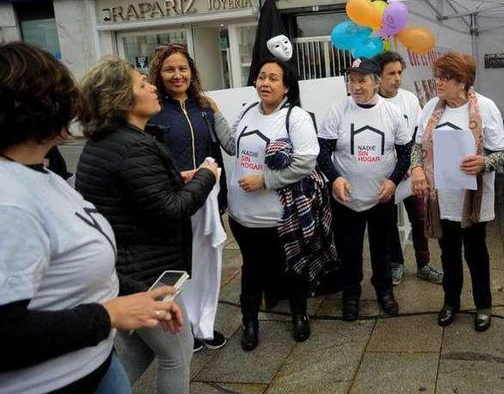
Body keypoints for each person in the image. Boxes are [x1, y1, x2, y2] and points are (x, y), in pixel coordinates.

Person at [0, 42, 186, 394]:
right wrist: (109, 315)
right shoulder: (9, 202)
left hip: (95, 365)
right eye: (63, 91)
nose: (76, 103)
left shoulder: (40, 173)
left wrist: (137, 297)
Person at [76, 56, 219, 394]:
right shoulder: (133, 147)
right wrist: (205, 178)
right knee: (177, 352)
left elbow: (138, 196)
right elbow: (170, 210)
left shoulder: (108, 141)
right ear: (121, 99)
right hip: (145, 273)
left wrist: (175, 179)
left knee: (141, 348)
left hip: (126, 268)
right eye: (142, 84)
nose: (153, 86)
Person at [211, 59, 321, 349]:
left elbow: (307, 162)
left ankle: (299, 315)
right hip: (242, 216)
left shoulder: (295, 118)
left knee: (292, 267)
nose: (265, 83)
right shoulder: (247, 111)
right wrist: (215, 113)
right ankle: (249, 321)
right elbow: (233, 145)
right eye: (261, 77)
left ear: (286, 87)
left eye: (274, 78)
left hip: (280, 217)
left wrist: (264, 180)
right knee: (252, 269)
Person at [410, 52, 504, 332]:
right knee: (448, 252)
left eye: (445, 77)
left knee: (476, 253)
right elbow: (417, 146)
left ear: (463, 81)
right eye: (438, 76)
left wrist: (484, 162)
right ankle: (451, 302)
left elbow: (501, 153)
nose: (438, 82)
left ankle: (483, 305)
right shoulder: (431, 107)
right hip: (440, 197)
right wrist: (416, 169)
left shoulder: (486, 107)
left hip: (473, 198)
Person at [146, 43, 227, 352]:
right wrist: (177, 179)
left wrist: (216, 110)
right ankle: (186, 327)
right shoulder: (153, 110)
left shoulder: (203, 107)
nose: (177, 75)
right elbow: (150, 161)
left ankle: (205, 325)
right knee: (182, 266)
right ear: (159, 74)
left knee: (209, 262)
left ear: (192, 71)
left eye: (182, 68)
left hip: (206, 197)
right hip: (175, 199)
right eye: (169, 69)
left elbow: (225, 146)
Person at [317, 57, 411, 321]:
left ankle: (384, 291)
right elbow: (322, 152)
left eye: (362, 81)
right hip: (346, 198)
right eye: (352, 81)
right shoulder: (338, 110)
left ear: (376, 82)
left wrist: (393, 181)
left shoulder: (392, 113)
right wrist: (335, 178)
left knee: (382, 248)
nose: (356, 87)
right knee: (349, 249)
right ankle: (351, 295)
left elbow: (405, 152)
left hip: (381, 197)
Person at [375, 51, 444, 285]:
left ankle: (424, 263)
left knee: (420, 217)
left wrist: (414, 165)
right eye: (391, 74)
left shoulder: (409, 99)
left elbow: (418, 134)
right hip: (386, 173)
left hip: (412, 171)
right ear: (378, 76)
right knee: (389, 221)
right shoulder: (372, 103)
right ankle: (396, 263)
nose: (397, 78)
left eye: (399, 73)